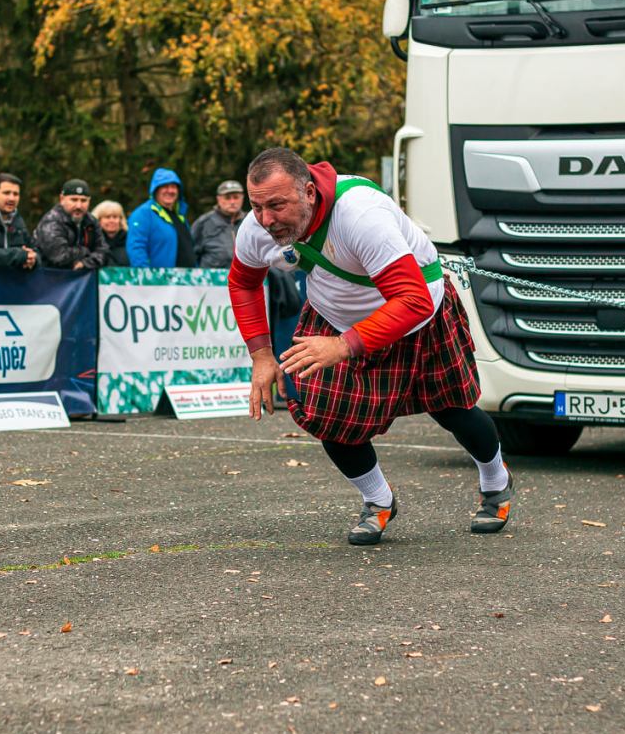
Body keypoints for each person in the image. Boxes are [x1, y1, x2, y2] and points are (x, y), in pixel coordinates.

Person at [228, 147, 514, 545]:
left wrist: (342, 346)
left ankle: (496, 481)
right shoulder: (256, 228)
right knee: (329, 418)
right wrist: (261, 356)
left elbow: (412, 300)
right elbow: (243, 282)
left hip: (417, 316)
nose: (266, 220)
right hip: (337, 318)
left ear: (308, 192)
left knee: (452, 409)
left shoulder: (361, 215)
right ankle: (378, 500)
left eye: (277, 205)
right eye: (257, 207)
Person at [126, 167, 195, 268]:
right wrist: (146, 275)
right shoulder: (143, 214)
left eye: (173, 187)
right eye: (165, 186)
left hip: (188, 276)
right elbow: (136, 248)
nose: (170, 191)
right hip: (159, 277)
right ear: (156, 190)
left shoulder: (180, 215)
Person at [35, 179, 110, 270]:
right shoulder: (52, 221)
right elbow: (59, 256)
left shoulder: (91, 221)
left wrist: (85, 263)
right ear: (62, 199)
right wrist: (85, 251)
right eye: (74, 200)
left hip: (82, 277)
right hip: (50, 275)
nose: (79, 206)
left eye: (83, 200)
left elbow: (104, 252)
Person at [191, 179, 246, 269]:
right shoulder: (203, 223)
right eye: (227, 198)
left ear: (242, 198)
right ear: (219, 199)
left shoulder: (251, 222)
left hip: (245, 276)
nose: (232, 202)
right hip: (212, 276)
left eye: (236, 197)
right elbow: (191, 256)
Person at [93, 200, 130, 266]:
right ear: (98, 220)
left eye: (115, 217)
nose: (111, 220)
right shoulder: (91, 241)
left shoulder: (130, 240)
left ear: (120, 220)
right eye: (107, 217)